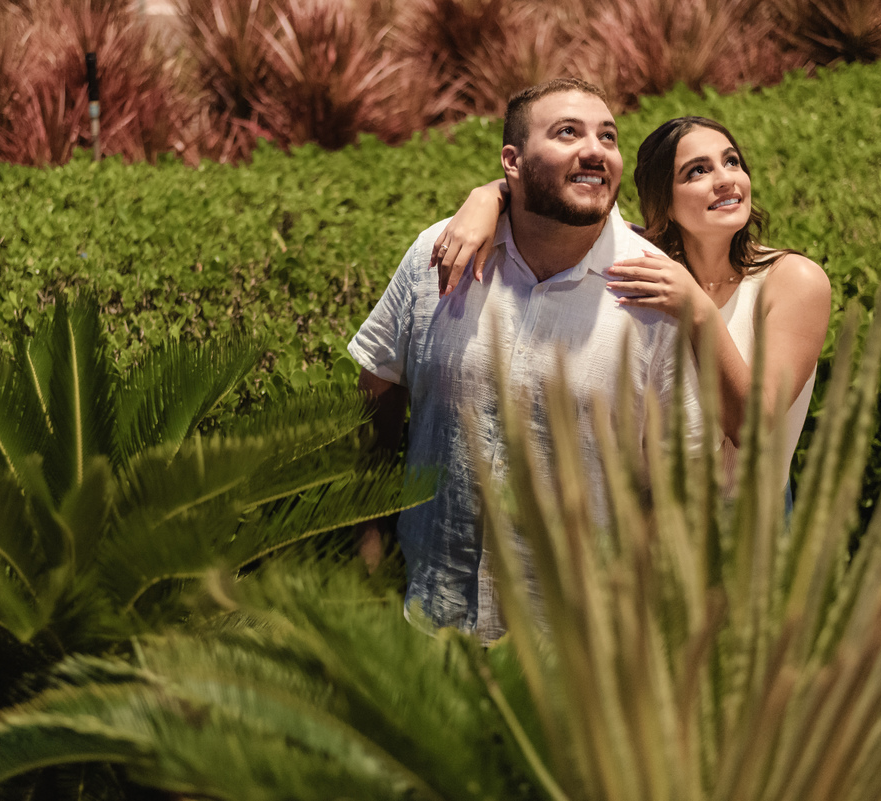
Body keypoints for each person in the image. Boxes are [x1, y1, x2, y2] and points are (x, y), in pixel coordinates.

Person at [348, 79, 701, 640]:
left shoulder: (655, 292)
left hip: (569, 645)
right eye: (568, 132)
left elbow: (678, 476)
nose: (596, 149)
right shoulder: (437, 253)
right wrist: (369, 545)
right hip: (423, 614)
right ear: (511, 162)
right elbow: (378, 390)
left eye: (608, 136)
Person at [434, 115, 831, 495]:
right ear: (664, 203)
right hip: (645, 522)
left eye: (731, 162)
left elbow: (754, 428)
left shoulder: (793, 280)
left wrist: (699, 311)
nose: (725, 179)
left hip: (746, 530)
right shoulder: (641, 259)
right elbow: (545, 199)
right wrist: (487, 196)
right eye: (697, 171)